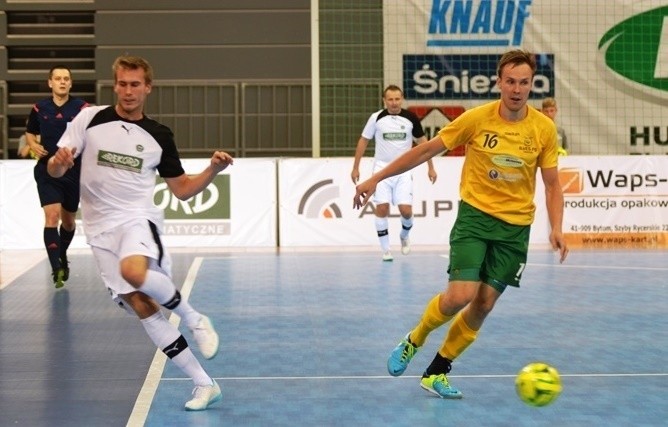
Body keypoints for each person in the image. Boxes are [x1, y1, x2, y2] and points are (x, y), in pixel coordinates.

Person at [353, 49, 569, 399]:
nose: (516, 89)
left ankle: (437, 371)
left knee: (483, 304)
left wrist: (556, 227)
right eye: (510, 82)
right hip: (476, 217)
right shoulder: (476, 119)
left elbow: (553, 184)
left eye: (524, 83)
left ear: (532, 84)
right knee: (460, 296)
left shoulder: (544, 129)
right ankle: (415, 339)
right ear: (499, 82)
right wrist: (375, 178)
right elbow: (424, 151)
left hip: (515, 229)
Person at [48, 55, 232, 411]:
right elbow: (56, 168)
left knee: (133, 272)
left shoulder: (159, 135)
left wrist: (212, 169)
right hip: (99, 230)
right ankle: (204, 384)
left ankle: (195, 319)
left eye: (135, 84)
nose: (128, 91)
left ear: (148, 87)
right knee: (143, 306)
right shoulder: (89, 118)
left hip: (136, 219)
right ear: (114, 84)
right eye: (122, 83)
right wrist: (59, 163)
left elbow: (181, 189)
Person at [351, 85, 437, 261]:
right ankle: (386, 250)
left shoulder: (411, 118)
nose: (394, 102)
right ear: (384, 101)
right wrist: (355, 167)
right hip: (381, 170)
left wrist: (431, 167)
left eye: (397, 98)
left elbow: (424, 144)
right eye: (390, 99)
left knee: (405, 211)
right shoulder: (376, 118)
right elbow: (363, 141)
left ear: (402, 99)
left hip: (404, 171)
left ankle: (404, 235)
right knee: (382, 208)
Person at [25, 65, 90, 288]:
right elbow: (30, 133)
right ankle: (56, 269)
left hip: (73, 171)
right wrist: (34, 145)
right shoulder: (39, 108)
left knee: (69, 222)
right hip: (46, 170)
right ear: (50, 83)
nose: (62, 82)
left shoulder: (82, 108)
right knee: (52, 217)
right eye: (58, 78)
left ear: (70, 83)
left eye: (66, 79)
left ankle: (62, 254)